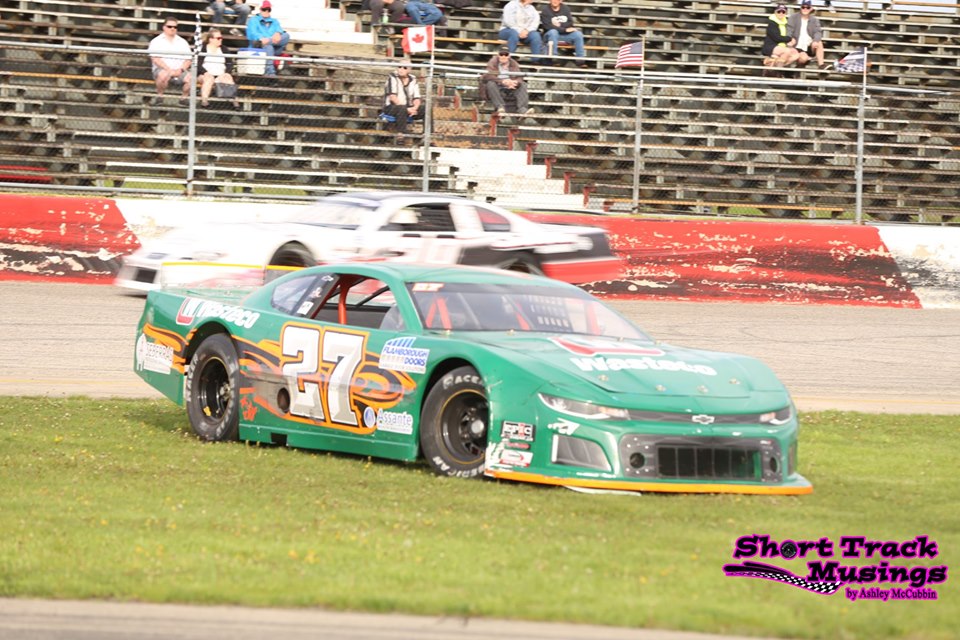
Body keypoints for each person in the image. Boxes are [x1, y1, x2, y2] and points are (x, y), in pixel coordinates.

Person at [147, 17, 193, 103]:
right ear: (164, 27)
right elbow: (155, 59)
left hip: (180, 70)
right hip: (162, 69)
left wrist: (180, 70)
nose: (172, 29)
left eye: (175, 27)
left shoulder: (182, 42)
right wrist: (169, 70)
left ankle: (184, 98)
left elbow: (188, 60)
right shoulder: (156, 41)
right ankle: (160, 96)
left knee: (191, 78)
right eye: (169, 26)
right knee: (163, 75)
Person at [480, 47, 533, 116]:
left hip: (511, 86)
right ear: (498, 55)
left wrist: (516, 82)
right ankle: (500, 107)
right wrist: (502, 81)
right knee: (490, 83)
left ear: (509, 56)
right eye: (501, 54)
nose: (503, 56)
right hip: (498, 85)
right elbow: (487, 76)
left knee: (523, 84)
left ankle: (522, 109)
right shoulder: (492, 62)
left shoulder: (513, 63)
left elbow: (519, 76)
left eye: (506, 54)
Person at [382, 61, 424, 141]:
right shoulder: (392, 78)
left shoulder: (413, 79)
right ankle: (401, 134)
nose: (401, 69)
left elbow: (417, 98)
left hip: (408, 108)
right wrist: (406, 109)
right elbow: (392, 97)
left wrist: (414, 108)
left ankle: (428, 135)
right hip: (391, 108)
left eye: (405, 68)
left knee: (425, 108)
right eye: (399, 67)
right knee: (401, 108)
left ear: (409, 70)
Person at [246, 0, 290, 77]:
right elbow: (252, 33)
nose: (266, 11)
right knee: (268, 47)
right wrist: (261, 38)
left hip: (274, 46)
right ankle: (270, 72)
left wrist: (278, 33)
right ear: (260, 9)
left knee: (286, 35)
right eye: (264, 9)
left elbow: (280, 30)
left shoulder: (275, 21)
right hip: (258, 46)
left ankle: (270, 72)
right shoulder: (253, 20)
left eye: (268, 9)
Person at [199, 29, 239, 108]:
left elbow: (229, 63)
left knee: (228, 79)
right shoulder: (203, 48)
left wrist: (227, 72)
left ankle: (235, 103)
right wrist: (205, 72)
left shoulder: (224, 49)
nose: (220, 40)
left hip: (220, 74)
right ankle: (204, 101)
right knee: (209, 79)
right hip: (205, 74)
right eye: (218, 38)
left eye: (221, 38)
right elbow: (198, 64)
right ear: (211, 39)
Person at [540, 0, 586, 67]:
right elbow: (548, 27)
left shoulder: (565, 8)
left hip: (563, 35)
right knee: (553, 32)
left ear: (561, 1)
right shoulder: (545, 10)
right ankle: (554, 58)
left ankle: (580, 60)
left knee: (578, 34)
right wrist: (564, 29)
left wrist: (560, 25)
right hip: (549, 35)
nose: (555, 1)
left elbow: (570, 23)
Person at [788, 0, 829, 70]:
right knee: (803, 58)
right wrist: (790, 39)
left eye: (807, 7)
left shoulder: (814, 20)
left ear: (811, 9)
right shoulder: (793, 17)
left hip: (809, 45)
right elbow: (789, 30)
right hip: (797, 45)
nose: (805, 9)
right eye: (803, 7)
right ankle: (797, 68)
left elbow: (818, 32)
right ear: (800, 8)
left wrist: (815, 40)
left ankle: (821, 65)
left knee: (819, 43)